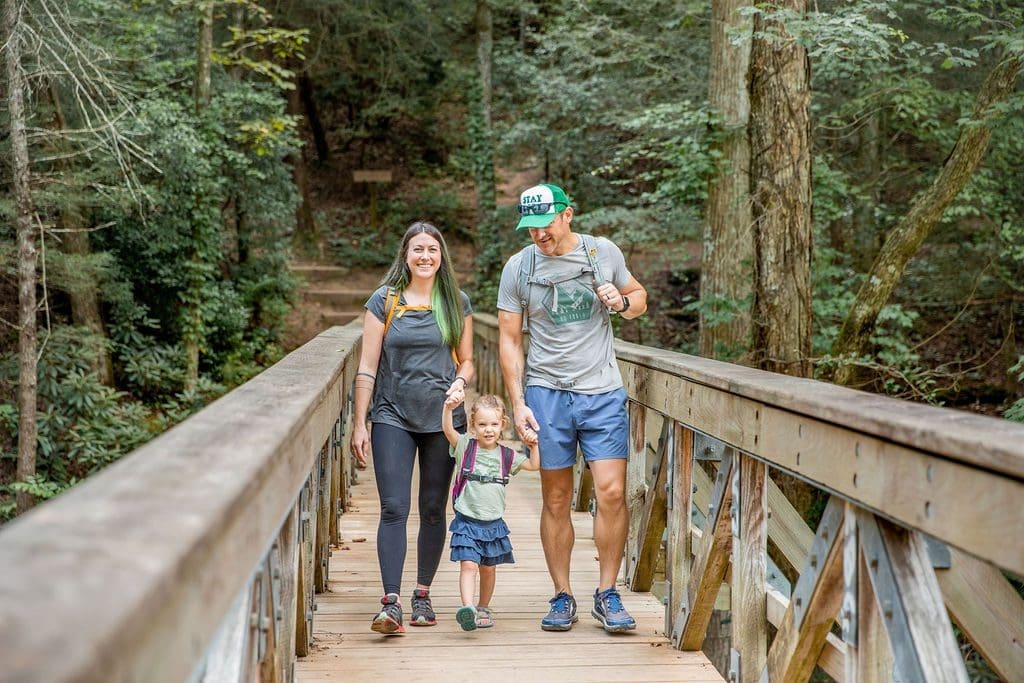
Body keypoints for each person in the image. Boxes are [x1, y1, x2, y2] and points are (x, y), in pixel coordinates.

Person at [496, 183, 648, 633]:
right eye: (530, 227)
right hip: (547, 391)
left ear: (568, 214)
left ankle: (607, 592)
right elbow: (508, 339)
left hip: (601, 389)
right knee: (556, 497)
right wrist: (518, 402)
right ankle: (562, 595)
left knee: (613, 492)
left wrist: (621, 303)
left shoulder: (602, 253)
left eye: (545, 224)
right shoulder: (519, 268)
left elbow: (638, 298)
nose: (539, 234)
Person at [350, 221, 474, 636]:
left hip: (442, 419)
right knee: (393, 508)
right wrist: (359, 422)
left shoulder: (456, 303)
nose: (425, 256)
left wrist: (460, 381)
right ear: (406, 254)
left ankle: (422, 592)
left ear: (441, 257)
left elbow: (468, 360)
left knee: (434, 508)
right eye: (418, 249)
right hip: (391, 415)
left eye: (432, 250)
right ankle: (391, 602)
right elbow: (367, 366)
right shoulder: (383, 301)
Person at [441, 393, 540, 631]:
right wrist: (447, 409)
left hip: (493, 524)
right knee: (469, 566)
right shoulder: (466, 446)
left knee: (488, 569)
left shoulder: (507, 455)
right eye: (482, 424)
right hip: (466, 521)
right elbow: (448, 431)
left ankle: (483, 606)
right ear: (473, 426)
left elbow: (534, 466)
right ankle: (468, 608)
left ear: (503, 425)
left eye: (494, 424)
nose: (488, 430)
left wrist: (533, 445)